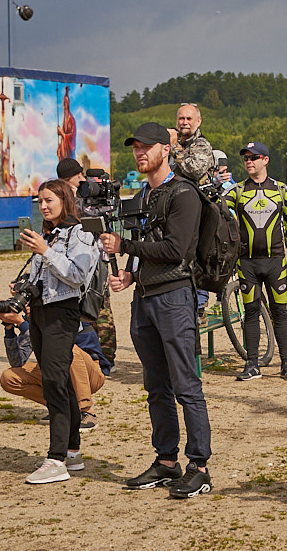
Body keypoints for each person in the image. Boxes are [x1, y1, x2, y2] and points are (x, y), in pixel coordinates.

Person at [100, 122, 213, 498]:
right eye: (135, 147)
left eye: (147, 146)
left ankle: (199, 466)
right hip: (145, 298)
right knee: (156, 387)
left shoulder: (184, 194)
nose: (139, 152)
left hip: (176, 298)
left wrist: (124, 248)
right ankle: (166, 461)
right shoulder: (145, 197)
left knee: (187, 386)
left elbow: (176, 251)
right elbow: (150, 246)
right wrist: (131, 276)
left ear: (166, 149)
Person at [19, 179, 99, 484]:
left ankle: (56, 459)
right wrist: (25, 288)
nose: (44, 206)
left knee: (53, 381)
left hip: (62, 314)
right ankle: (73, 450)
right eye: (40, 201)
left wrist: (45, 251)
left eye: (49, 200)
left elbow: (77, 276)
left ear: (65, 200)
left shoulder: (81, 234)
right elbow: (46, 276)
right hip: (40, 312)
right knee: (59, 379)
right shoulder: (47, 233)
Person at [225, 141, 287, 381]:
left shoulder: (280, 189)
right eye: (246, 158)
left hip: (275, 262)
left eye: (254, 157)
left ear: (265, 160)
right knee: (250, 313)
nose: (249, 161)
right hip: (246, 263)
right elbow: (215, 212)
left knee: (280, 313)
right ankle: (252, 364)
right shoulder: (236, 191)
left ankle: (286, 364)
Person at [0, 308, 107, 432]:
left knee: (67, 348)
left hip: (90, 375)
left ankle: (87, 412)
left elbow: (56, 337)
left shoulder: (66, 309)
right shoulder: (31, 321)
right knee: (10, 377)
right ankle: (61, 407)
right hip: (58, 372)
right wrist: (9, 329)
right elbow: (17, 361)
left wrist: (23, 324)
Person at [57, 157, 117, 369]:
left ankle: (107, 358)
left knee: (100, 306)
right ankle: (88, 357)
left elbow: (101, 219)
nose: (66, 185)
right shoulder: (66, 196)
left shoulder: (92, 192)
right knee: (81, 308)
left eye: (68, 180)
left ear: (77, 176)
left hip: (98, 259)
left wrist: (76, 200)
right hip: (74, 258)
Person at [169, 104, 214, 324]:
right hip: (175, 209)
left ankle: (200, 307)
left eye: (189, 118)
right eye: (181, 119)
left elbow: (193, 170)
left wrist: (174, 146)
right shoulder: (170, 147)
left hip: (200, 210)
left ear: (198, 121)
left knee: (197, 257)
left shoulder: (202, 145)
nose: (184, 122)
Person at [57, 86, 76, 160]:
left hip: (68, 154)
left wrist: (62, 133)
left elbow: (71, 136)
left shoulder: (71, 119)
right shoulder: (64, 118)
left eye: (66, 104)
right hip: (63, 151)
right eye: (63, 104)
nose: (64, 107)